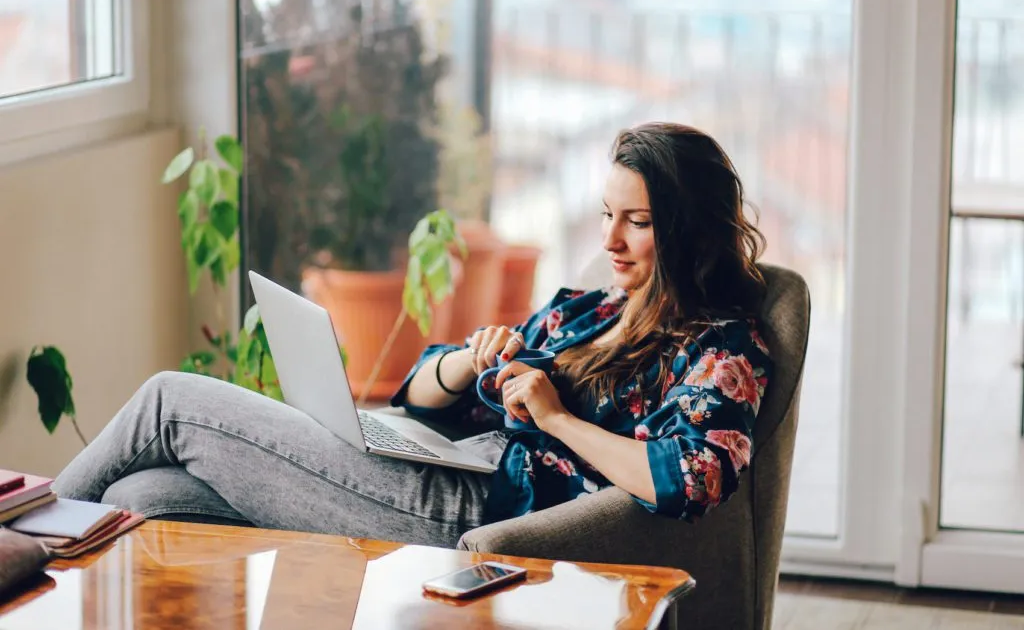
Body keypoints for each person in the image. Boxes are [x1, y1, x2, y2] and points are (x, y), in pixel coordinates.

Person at [53, 122, 774, 549]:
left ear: (688, 230)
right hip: (447, 463)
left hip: (478, 511)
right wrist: (466, 361)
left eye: (637, 222)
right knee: (148, 492)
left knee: (170, 403)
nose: (610, 239)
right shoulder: (591, 309)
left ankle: (12, 550)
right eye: (607, 215)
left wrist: (555, 417)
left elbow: (693, 479)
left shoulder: (723, 350)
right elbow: (417, 398)